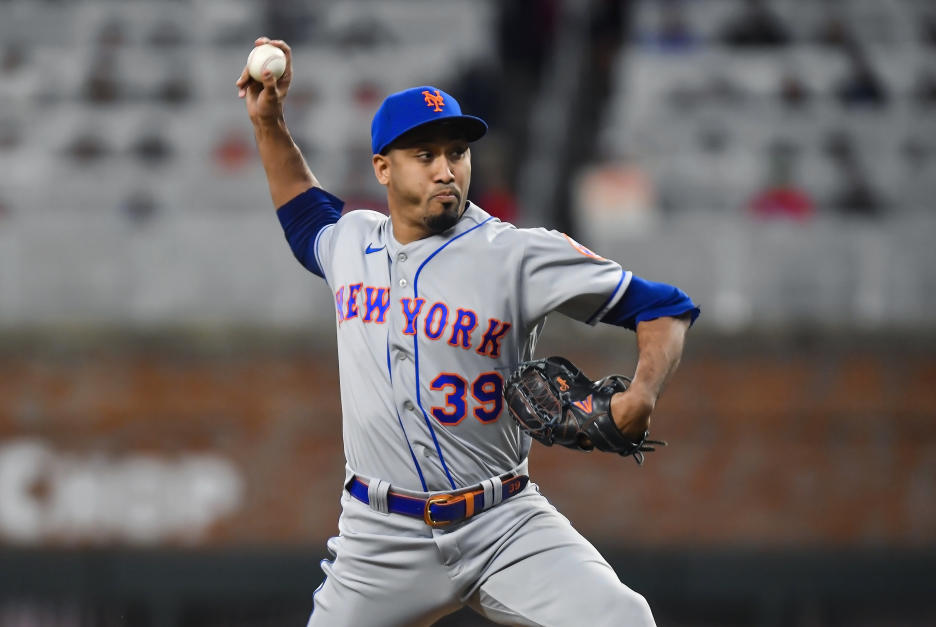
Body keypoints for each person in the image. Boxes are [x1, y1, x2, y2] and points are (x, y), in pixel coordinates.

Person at [237, 37, 699, 626]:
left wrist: (643, 392)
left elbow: (665, 308)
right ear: (383, 167)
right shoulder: (350, 241)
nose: (446, 169)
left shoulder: (515, 254)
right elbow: (301, 208)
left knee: (623, 620)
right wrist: (269, 119)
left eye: (457, 152)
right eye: (424, 155)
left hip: (502, 521)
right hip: (380, 538)